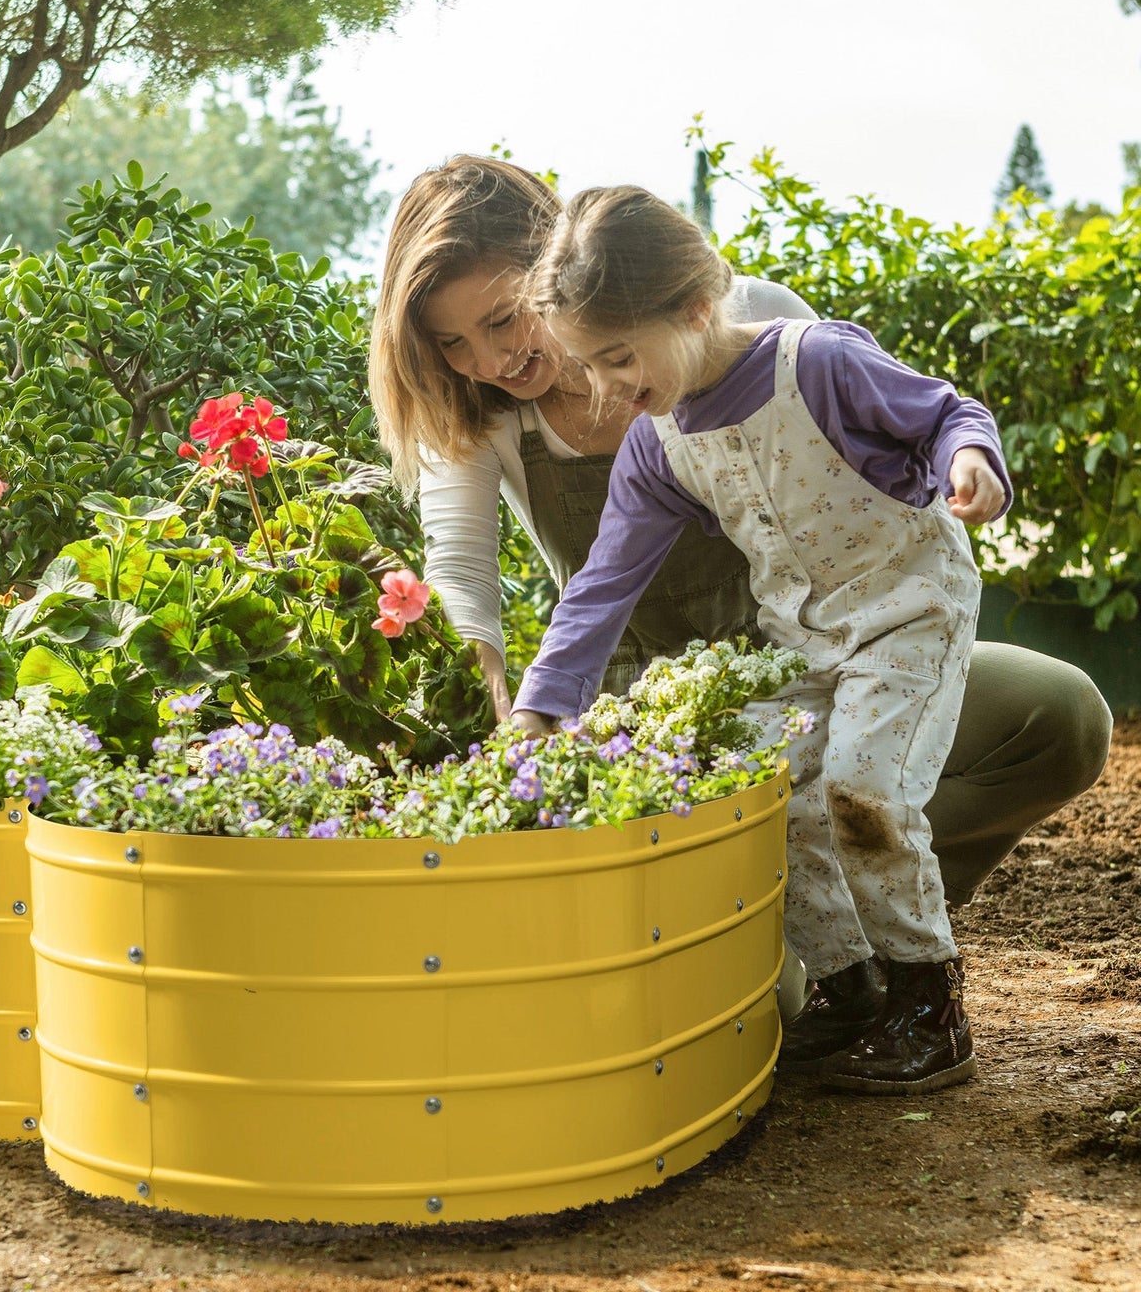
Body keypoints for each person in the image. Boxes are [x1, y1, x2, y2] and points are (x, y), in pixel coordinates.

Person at [368, 154, 1113, 1071]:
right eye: (453, 344)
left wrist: (965, 466)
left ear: (561, 269)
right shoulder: (536, 422)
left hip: (843, 644)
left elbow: (916, 421)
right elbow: (529, 583)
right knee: (777, 965)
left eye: (503, 318)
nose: (492, 361)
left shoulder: (768, 332)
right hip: (675, 699)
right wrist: (520, 719)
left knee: (1024, 729)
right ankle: (834, 968)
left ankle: (908, 968)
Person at [506, 183, 1020, 1093]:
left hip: (909, 610)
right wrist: (543, 706)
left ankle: (929, 1007)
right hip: (805, 641)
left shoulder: (815, 362)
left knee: (862, 789)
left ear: (698, 306)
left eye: (619, 356)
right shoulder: (657, 443)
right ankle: (852, 991)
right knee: (765, 789)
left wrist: (969, 462)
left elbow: (945, 414)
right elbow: (602, 585)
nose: (608, 388)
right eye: (589, 366)